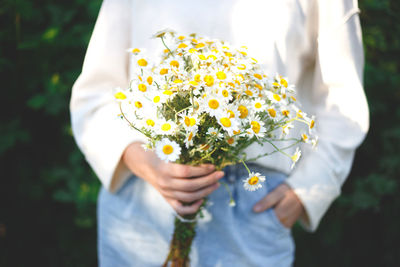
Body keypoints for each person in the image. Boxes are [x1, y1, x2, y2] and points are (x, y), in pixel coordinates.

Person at [70, 0, 369, 266]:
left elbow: (342, 102)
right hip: (140, 205)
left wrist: (309, 190)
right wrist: (146, 163)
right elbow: (96, 94)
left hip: (254, 209)